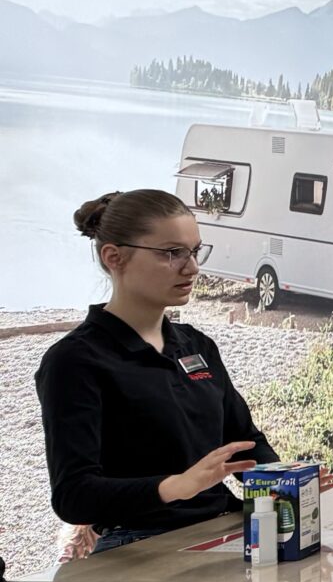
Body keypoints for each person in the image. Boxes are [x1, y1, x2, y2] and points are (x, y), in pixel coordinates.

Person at [37, 189, 289, 557]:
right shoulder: (74, 361)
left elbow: (245, 442)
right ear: (114, 257)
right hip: (141, 544)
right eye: (172, 253)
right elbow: (74, 496)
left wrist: (287, 481)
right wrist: (174, 487)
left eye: (195, 251)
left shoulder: (196, 345)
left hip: (222, 527)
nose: (192, 268)